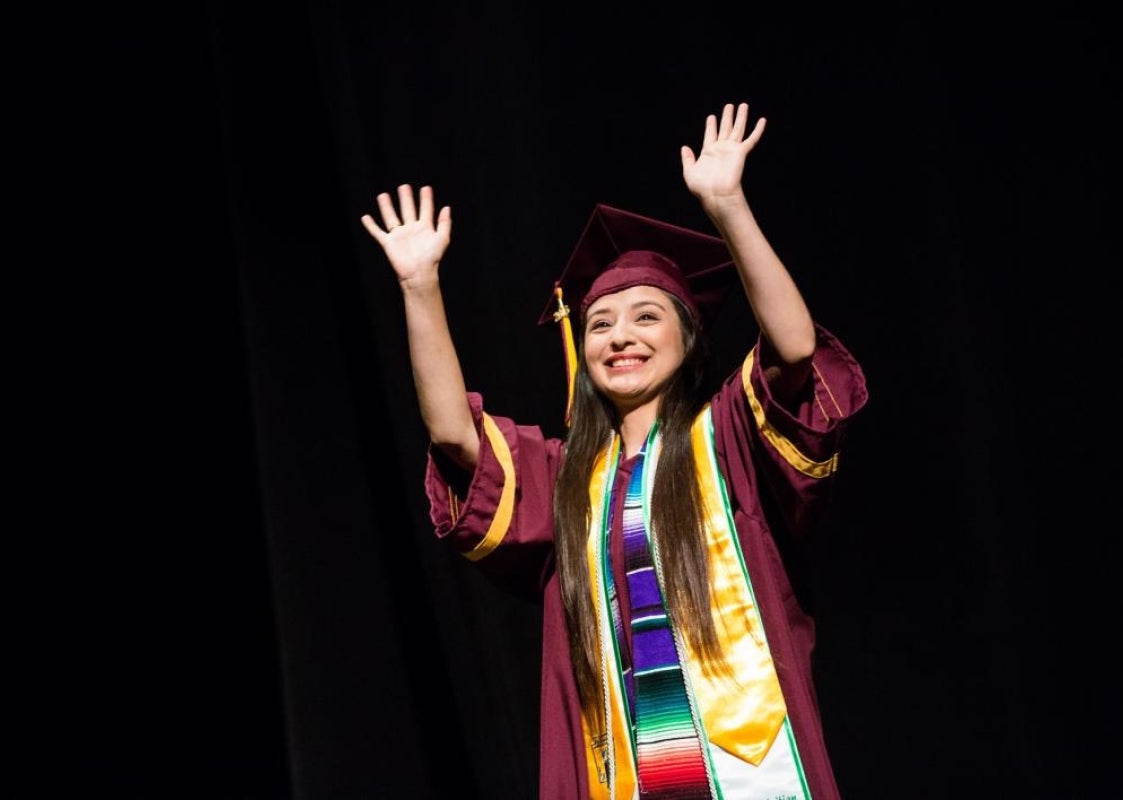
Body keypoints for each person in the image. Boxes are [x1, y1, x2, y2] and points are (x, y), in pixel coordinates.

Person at [360, 102, 868, 800]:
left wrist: (728, 207)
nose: (618, 337)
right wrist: (420, 288)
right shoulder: (567, 480)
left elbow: (793, 350)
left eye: (646, 316)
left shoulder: (727, 444)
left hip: (750, 769)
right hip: (625, 773)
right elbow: (454, 435)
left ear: (689, 340)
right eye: (599, 324)